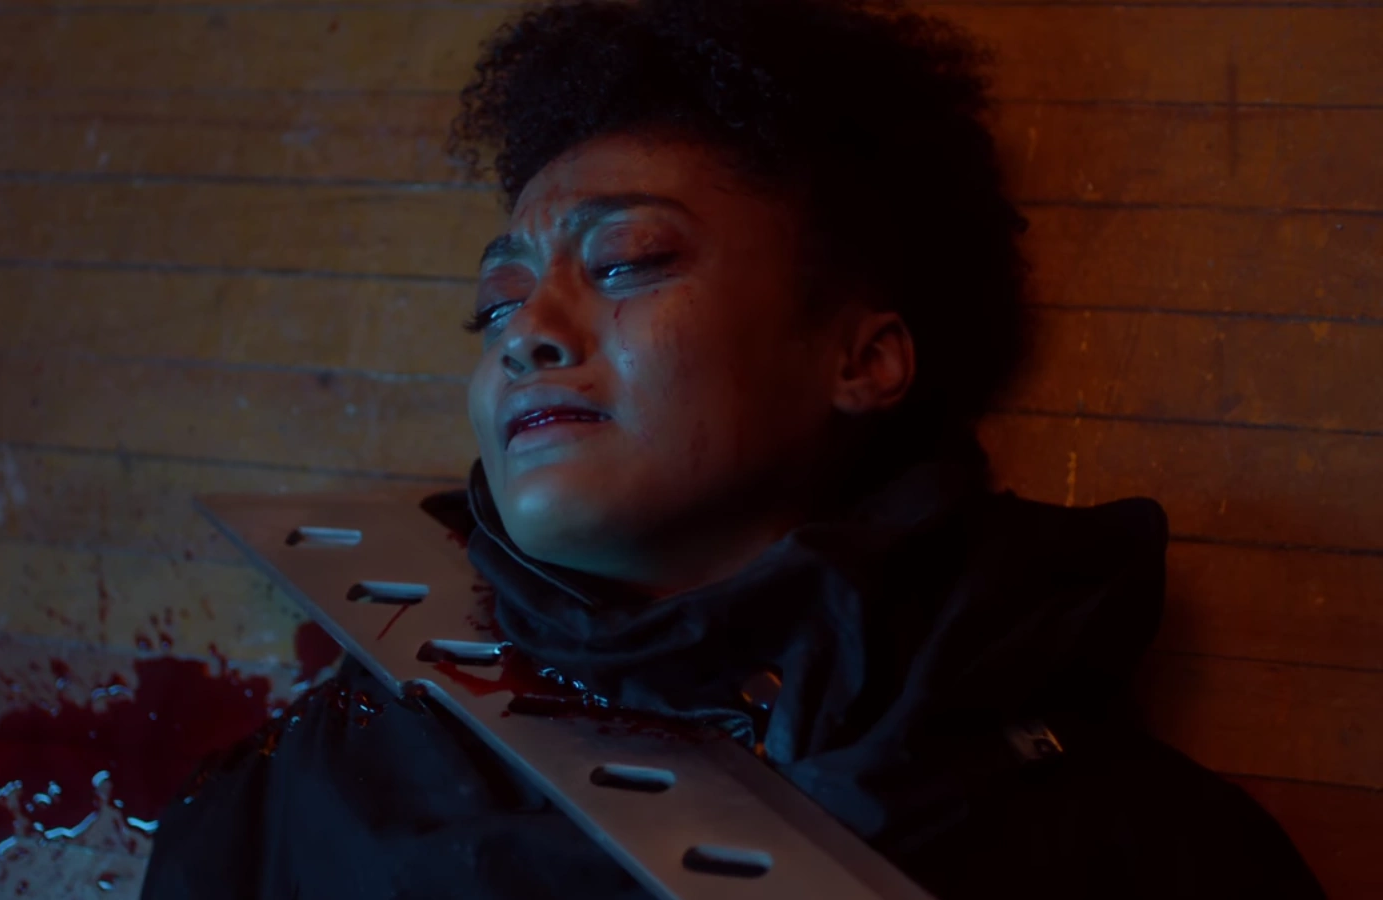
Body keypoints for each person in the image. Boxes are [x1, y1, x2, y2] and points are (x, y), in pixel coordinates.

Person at [140, 0, 1324, 896]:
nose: (527, 334)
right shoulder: (304, 785)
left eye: (627, 262)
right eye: (493, 305)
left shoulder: (1136, 853)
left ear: (863, 359)